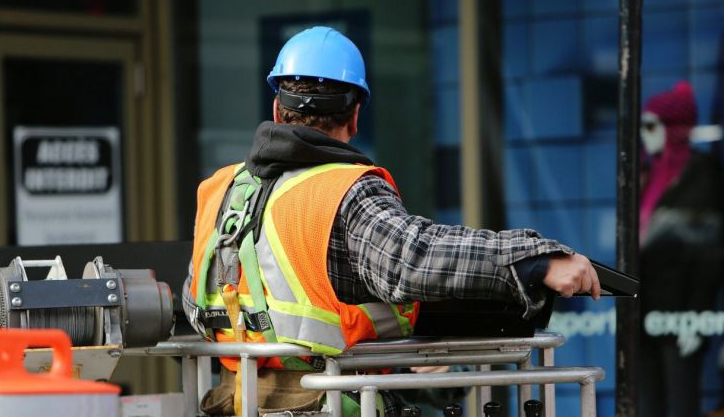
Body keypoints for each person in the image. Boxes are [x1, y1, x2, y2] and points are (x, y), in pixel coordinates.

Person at [182, 26, 600, 416]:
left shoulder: (220, 190)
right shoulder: (343, 191)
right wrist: (535, 260)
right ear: (355, 116)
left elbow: (195, 298)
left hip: (239, 402)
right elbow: (412, 258)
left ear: (276, 107)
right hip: (328, 403)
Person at [637, 82, 724, 417]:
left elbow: (709, 254)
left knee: (681, 402)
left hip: (681, 313)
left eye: (651, 126)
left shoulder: (701, 174)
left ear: (672, 128)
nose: (645, 135)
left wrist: (696, 317)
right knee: (648, 404)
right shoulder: (645, 174)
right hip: (644, 310)